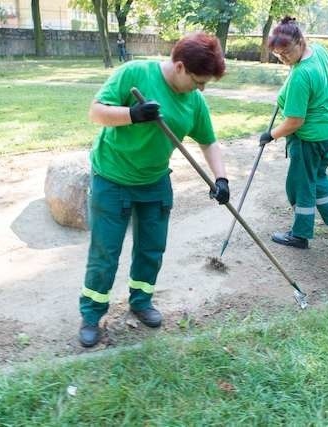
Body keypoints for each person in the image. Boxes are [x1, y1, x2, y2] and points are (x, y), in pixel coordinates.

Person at [79, 32, 229, 347]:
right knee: (105, 251)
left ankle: (141, 300)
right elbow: (96, 111)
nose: (201, 88)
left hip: (154, 181)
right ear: (179, 67)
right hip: (112, 177)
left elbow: (208, 141)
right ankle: (92, 314)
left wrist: (221, 178)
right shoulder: (134, 73)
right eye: (198, 81)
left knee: (151, 248)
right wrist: (132, 115)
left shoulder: (195, 101)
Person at [260, 16, 328, 250]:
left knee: (301, 184)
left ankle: (300, 235)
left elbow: (294, 122)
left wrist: (271, 135)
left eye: (287, 53)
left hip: (308, 139)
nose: (284, 59)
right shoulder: (319, 51)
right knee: (317, 176)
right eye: (278, 56)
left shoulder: (301, 74)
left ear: (300, 42)